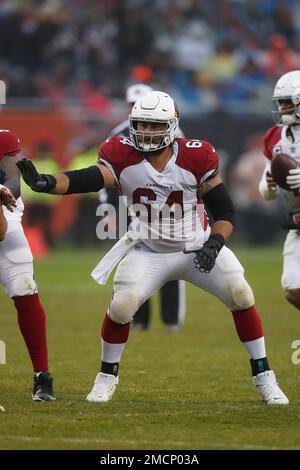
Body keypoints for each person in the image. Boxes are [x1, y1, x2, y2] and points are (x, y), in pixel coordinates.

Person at [17, 91, 288, 406]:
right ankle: (106, 377)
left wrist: (214, 244)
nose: (146, 131)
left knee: (242, 294)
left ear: (172, 126)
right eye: (141, 124)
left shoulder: (195, 156)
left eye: (154, 125)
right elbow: (89, 179)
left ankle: (264, 375)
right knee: (122, 306)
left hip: (195, 247)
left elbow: (225, 212)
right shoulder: (121, 154)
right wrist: (47, 182)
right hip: (147, 250)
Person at [109, 83, 186, 331]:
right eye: (132, 105)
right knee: (138, 260)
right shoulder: (119, 134)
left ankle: (171, 319)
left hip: (169, 206)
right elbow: (105, 175)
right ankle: (139, 319)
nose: (136, 110)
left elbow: (187, 169)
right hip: (134, 206)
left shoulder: (175, 131)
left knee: (173, 259)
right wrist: (110, 209)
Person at [0, 130, 55, 401]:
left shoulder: (6, 142)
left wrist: (1, 191)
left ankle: (42, 376)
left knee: (24, 288)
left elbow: (13, 184)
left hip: (6, 227)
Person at [259, 70, 300, 310]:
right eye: (281, 102)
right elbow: (266, 190)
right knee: (292, 288)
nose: (282, 107)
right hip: (297, 223)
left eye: (287, 102)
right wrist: (270, 185)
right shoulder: (275, 136)